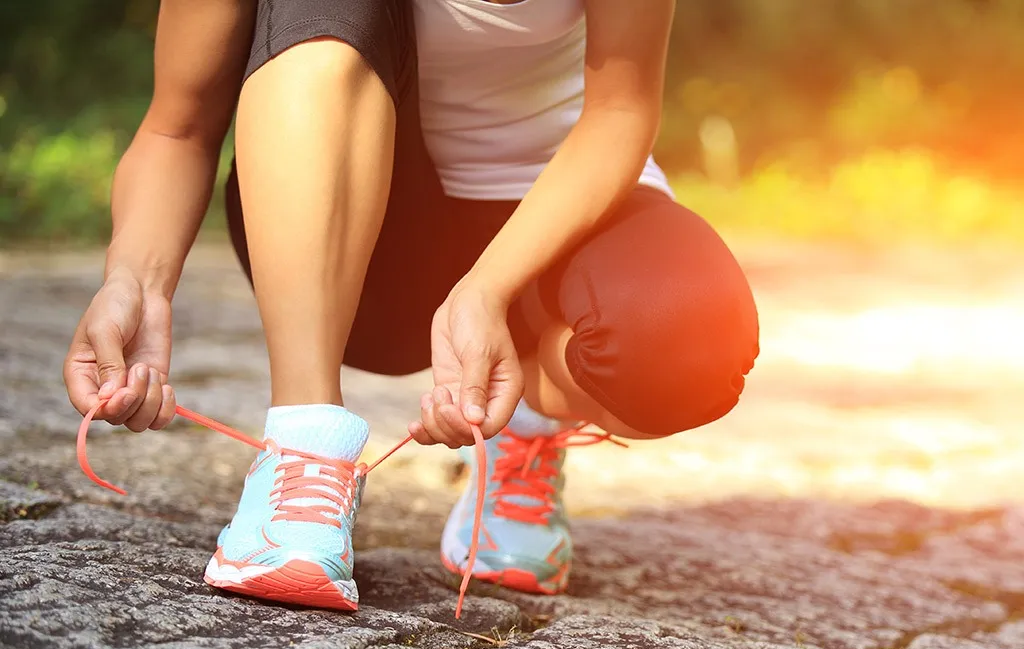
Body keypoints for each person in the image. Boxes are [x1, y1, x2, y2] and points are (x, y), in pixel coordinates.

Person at [65, 0, 759, 613]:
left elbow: (620, 109)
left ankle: (522, 423)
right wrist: (135, 281)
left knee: (686, 340)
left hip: (545, 226)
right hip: (362, 243)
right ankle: (305, 452)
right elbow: (177, 128)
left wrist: (488, 289)